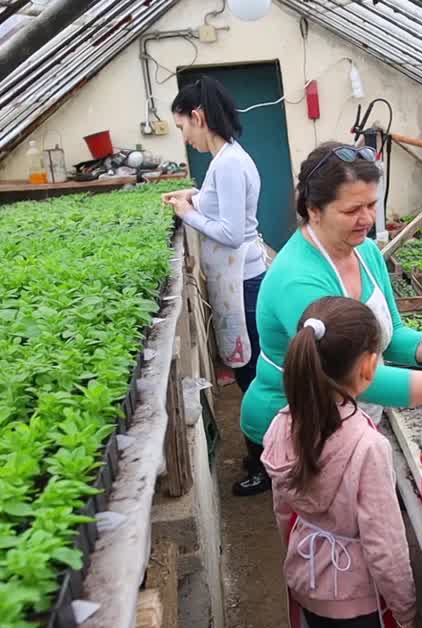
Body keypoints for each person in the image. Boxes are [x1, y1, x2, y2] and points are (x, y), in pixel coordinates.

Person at [238, 142, 422, 496]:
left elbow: (390, 333)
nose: (367, 219)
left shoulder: (366, 252)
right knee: (332, 530)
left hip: (349, 415)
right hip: (296, 423)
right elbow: (352, 376)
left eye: (371, 204)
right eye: (353, 209)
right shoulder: (299, 279)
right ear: (314, 210)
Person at [264, 296, 415, 628]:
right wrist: (404, 609)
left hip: (305, 572)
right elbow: (385, 544)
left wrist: (295, 555)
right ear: (369, 367)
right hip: (355, 596)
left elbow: (283, 511)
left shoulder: (283, 423)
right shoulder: (367, 445)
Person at [162, 76, 268, 495]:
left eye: (183, 126)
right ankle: (265, 455)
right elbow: (217, 203)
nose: (185, 137)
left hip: (242, 283)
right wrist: (188, 195)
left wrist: (187, 214)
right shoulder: (229, 157)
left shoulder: (227, 163)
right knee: (251, 372)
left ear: (198, 116)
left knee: (253, 378)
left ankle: (269, 465)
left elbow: (229, 231)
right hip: (238, 280)